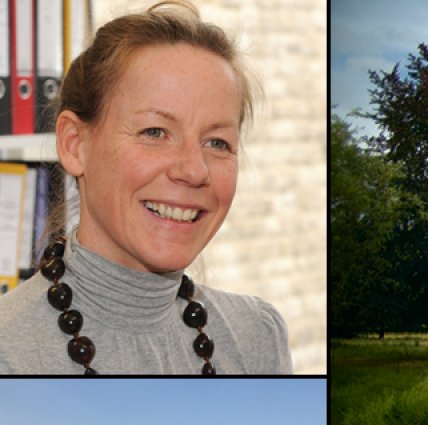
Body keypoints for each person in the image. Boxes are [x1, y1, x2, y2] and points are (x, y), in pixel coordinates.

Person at [0, 1, 291, 374]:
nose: (193, 170)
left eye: (217, 142)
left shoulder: (258, 337)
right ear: (74, 144)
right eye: (154, 132)